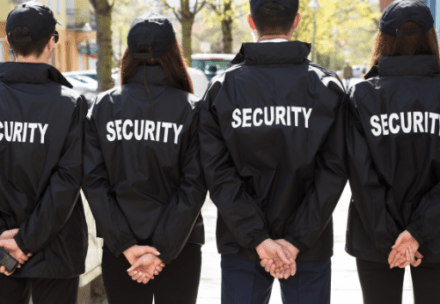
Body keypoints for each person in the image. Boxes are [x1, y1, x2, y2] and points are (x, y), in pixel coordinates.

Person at [199, 0, 346, 303]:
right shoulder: (327, 86)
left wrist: (259, 239)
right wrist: (295, 241)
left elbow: (218, 174)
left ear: (251, 22)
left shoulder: (221, 88)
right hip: (309, 245)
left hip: (243, 244)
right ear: (297, 21)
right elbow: (334, 171)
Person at [82, 12, 207, 304]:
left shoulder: (103, 107)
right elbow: (195, 186)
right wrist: (161, 249)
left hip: (121, 250)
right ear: (174, 52)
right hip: (180, 246)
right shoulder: (193, 110)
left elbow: (94, 184)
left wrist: (126, 245)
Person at [346, 1, 440, 303]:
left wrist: (391, 236)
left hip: (375, 237)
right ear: (431, 37)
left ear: (382, 39)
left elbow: (361, 176)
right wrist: (416, 232)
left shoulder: (362, 95)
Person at [0, 2, 88, 303]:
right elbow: (67, 183)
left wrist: (7, 240)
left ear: (8, 41)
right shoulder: (71, 103)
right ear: (52, 42)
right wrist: (25, 242)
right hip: (56, 247)